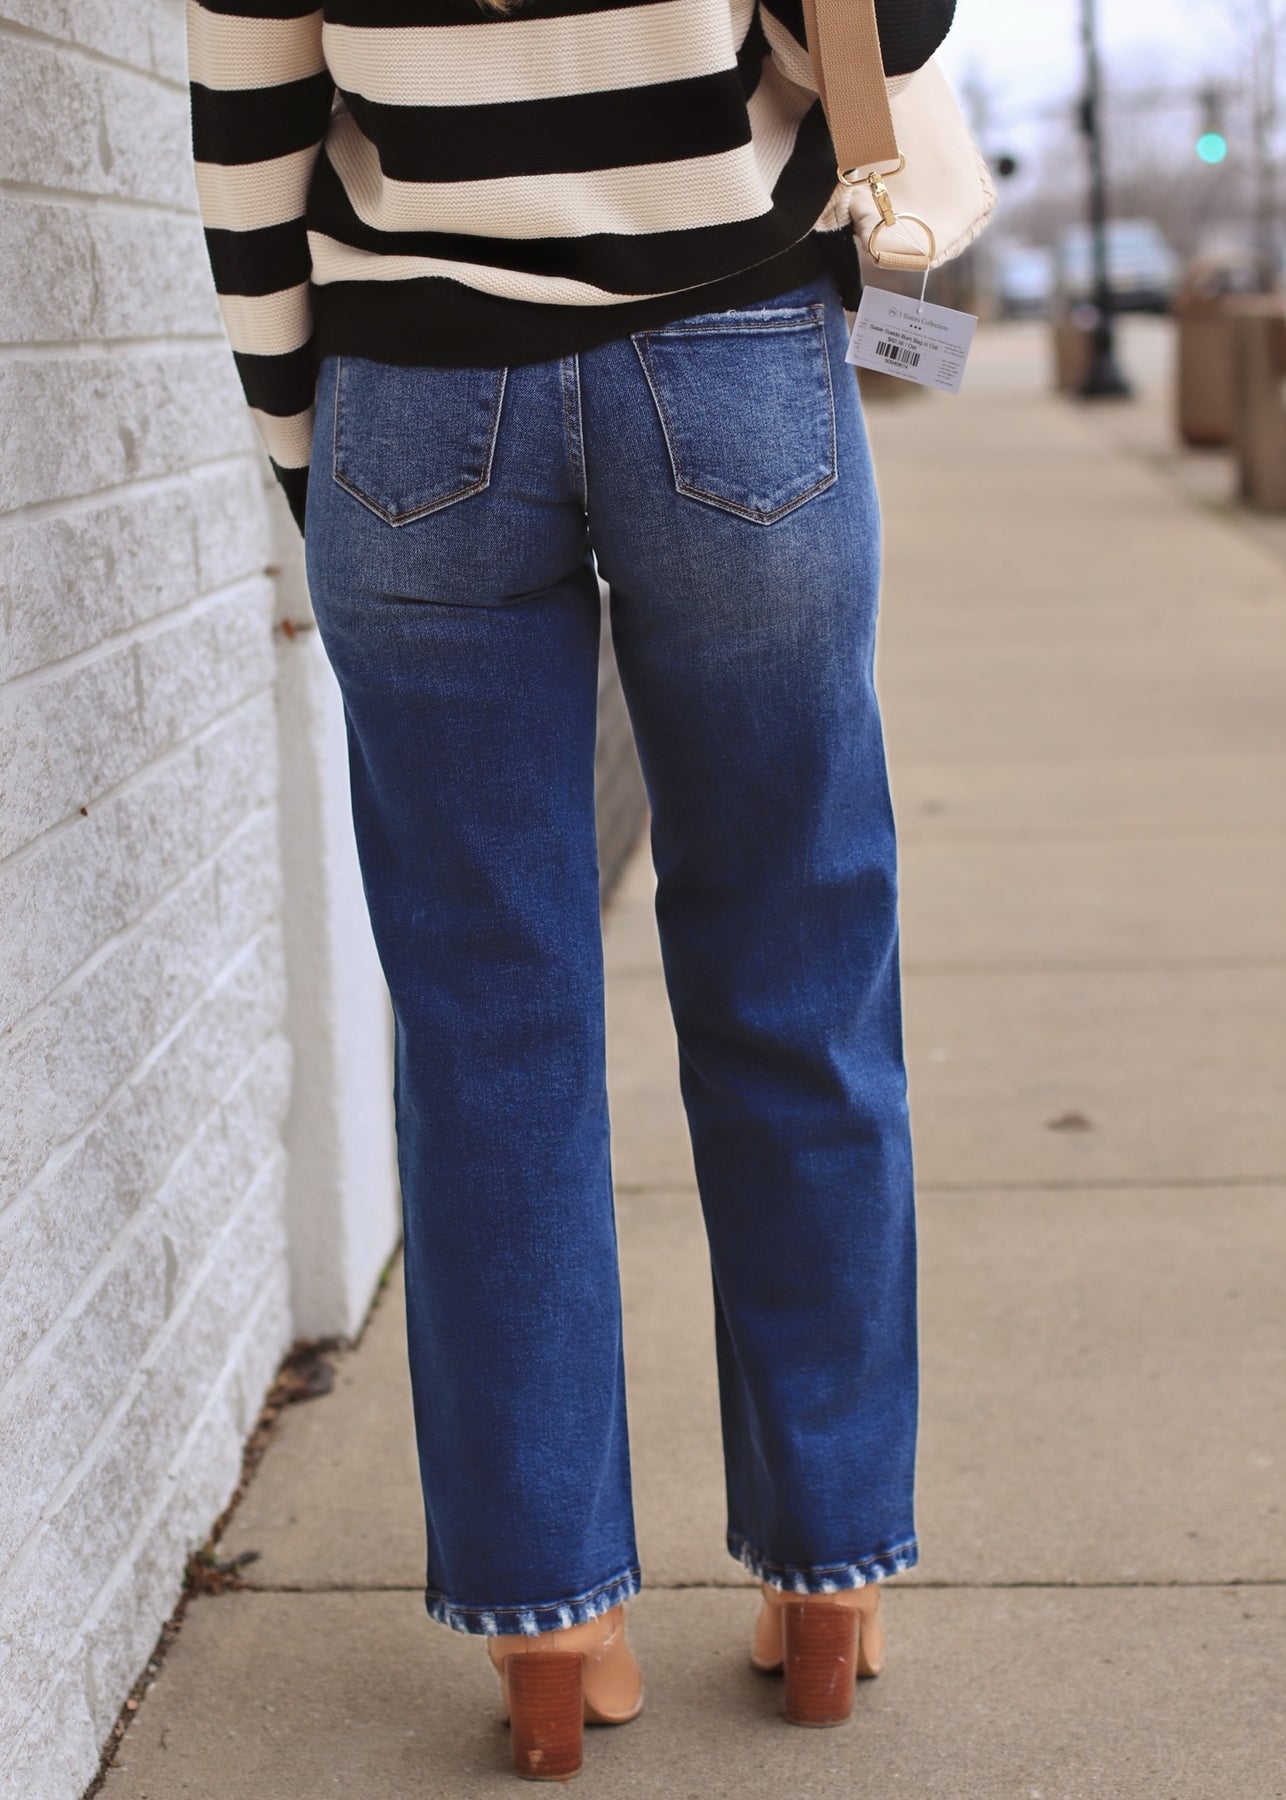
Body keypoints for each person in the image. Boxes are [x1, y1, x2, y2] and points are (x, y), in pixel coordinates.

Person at [187, 0, 954, 1778]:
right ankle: (827, 1576)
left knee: (486, 1032)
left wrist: (309, 456)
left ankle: (547, 1624)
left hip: (410, 399)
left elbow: (247, 147)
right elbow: (882, 23)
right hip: (734, 356)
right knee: (800, 983)